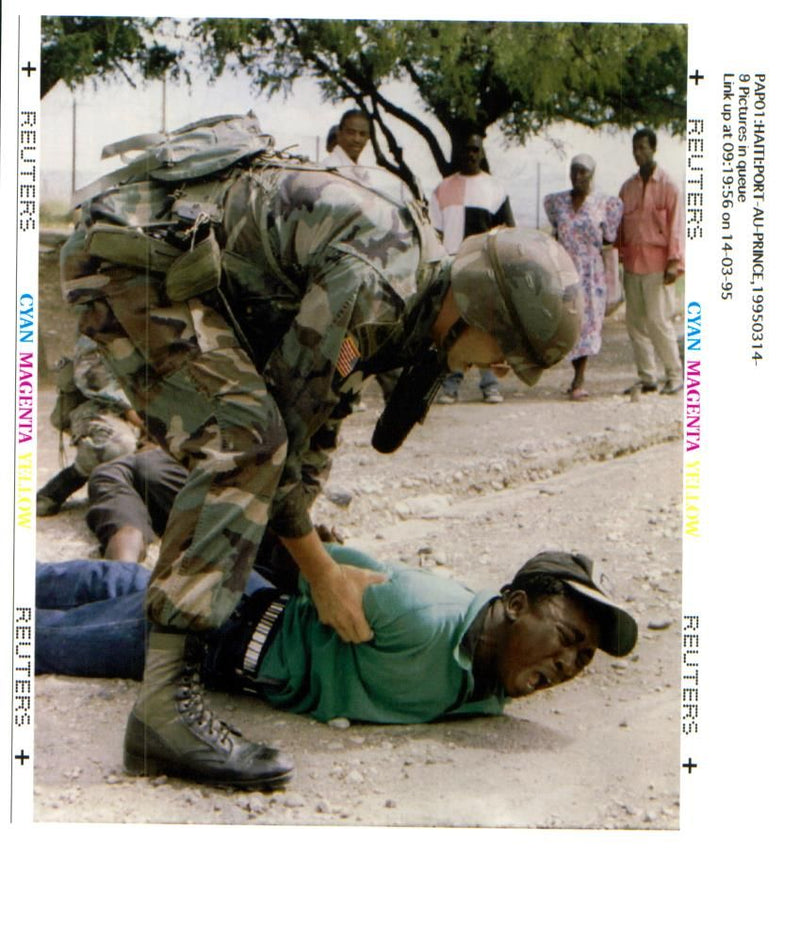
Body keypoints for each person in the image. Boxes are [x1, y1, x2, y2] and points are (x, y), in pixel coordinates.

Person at [61, 114, 582, 789]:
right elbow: (281, 420)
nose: (503, 372)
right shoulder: (378, 283)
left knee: (265, 447)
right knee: (247, 437)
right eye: (506, 353)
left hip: (172, 266)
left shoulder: (410, 299)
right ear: (476, 310)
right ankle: (162, 710)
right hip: (131, 263)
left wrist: (306, 534)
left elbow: (320, 417)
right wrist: (320, 573)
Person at [35, 545, 637, 729]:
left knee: (99, 581)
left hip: (237, 624)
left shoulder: (494, 680)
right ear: (515, 604)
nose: (569, 663)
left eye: (584, 657)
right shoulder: (416, 610)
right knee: (43, 640)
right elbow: (293, 552)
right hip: (220, 627)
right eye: (567, 636)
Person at [430, 132, 516, 405]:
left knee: (486, 325)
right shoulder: (442, 189)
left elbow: (508, 231)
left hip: (484, 266)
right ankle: (451, 384)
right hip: (453, 266)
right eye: (466, 149)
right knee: (452, 326)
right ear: (459, 153)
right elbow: (435, 232)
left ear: (482, 153)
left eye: (475, 150)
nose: (471, 154)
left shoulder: (495, 189)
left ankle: (489, 384)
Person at [544, 155, 624, 400]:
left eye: (583, 173)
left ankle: (579, 378)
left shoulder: (604, 203)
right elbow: (556, 229)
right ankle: (574, 375)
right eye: (573, 171)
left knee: (588, 323)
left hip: (591, 273)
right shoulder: (557, 202)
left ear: (592, 174)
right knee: (569, 321)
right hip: (565, 268)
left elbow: (609, 237)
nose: (577, 177)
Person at [37, 335, 143, 517]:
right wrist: (142, 419)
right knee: (117, 445)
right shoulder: (102, 316)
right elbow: (94, 378)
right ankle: (70, 479)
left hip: (153, 406)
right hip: (103, 405)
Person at [618, 128, 684, 396]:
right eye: (635, 148)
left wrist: (674, 262)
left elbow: (677, 227)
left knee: (658, 321)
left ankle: (675, 375)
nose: (638, 153)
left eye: (643, 148)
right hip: (632, 264)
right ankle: (647, 377)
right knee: (635, 322)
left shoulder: (669, 186)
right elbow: (619, 227)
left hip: (658, 265)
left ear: (653, 149)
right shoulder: (627, 188)